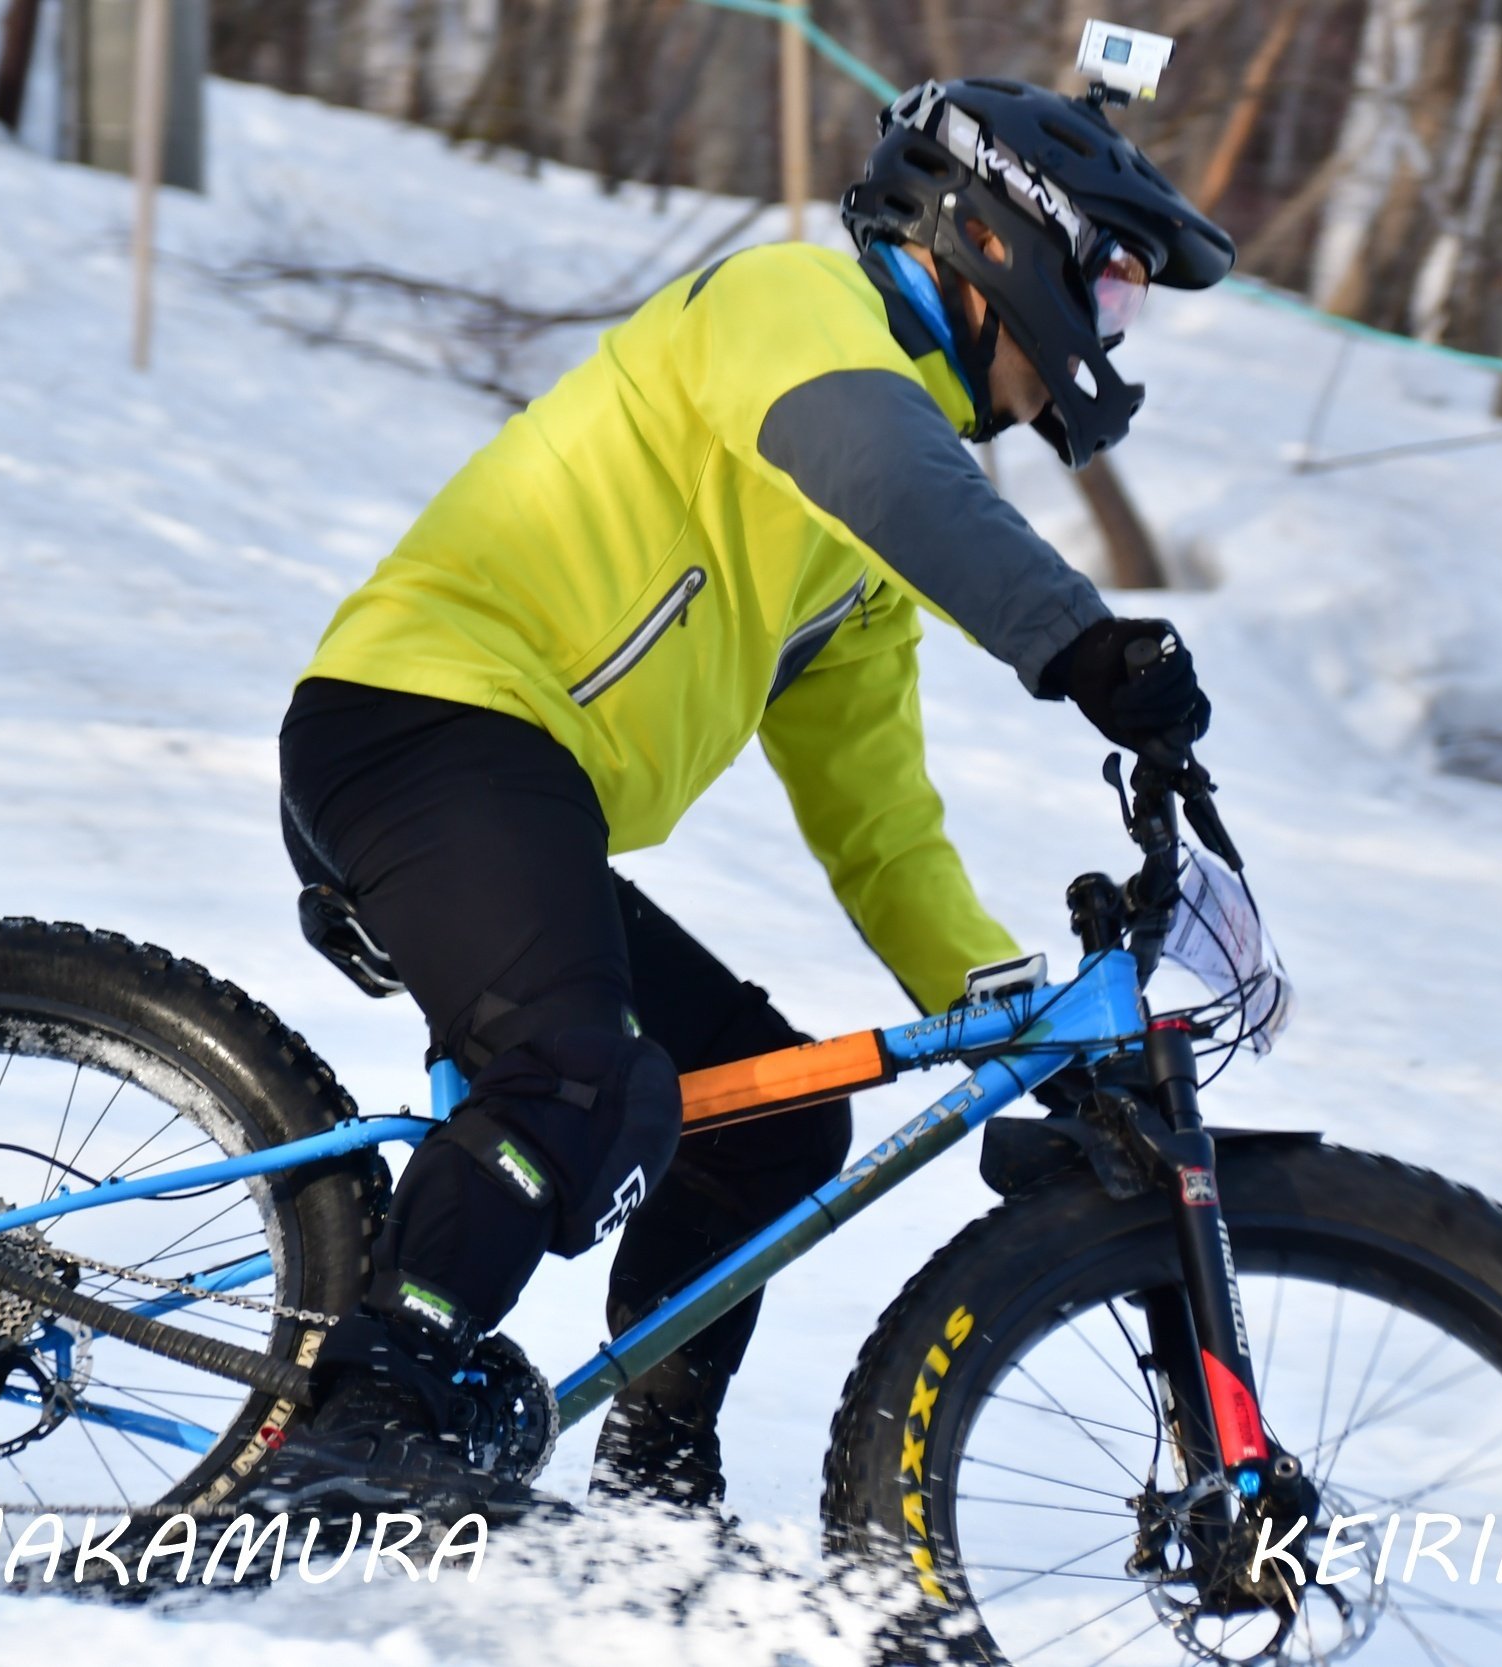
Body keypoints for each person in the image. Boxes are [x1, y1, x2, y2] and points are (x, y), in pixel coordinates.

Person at [264, 76, 1234, 1517]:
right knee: (569, 1074)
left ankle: (653, 1479)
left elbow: (879, 821)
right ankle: (364, 1417)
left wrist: (1014, 1003)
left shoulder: (859, 565)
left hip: (521, 796)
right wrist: (1079, 640)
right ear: (1004, 237)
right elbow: (883, 462)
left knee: (770, 1128)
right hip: (425, 723)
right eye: (1113, 284)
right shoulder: (790, 310)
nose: (1107, 335)